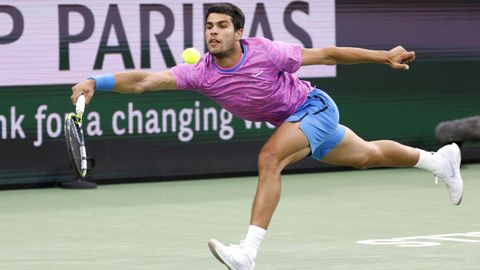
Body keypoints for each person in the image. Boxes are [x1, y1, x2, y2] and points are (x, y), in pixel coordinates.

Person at [71, 3, 463, 270]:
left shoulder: (265, 52)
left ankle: (248, 252)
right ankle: (440, 161)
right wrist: (95, 81)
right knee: (368, 155)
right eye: (209, 27)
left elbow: (326, 54)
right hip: (295, 121)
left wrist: (383, 56)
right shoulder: (200, 72)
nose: (213, 33)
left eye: (222, 26)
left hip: (314, 108)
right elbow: (144, 80)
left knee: (269, 158)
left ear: (239, 32)